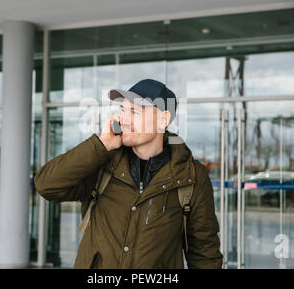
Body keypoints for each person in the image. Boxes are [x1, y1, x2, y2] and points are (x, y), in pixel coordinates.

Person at [34, 78, 223, 269]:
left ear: (163, 120)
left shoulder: (191, 176)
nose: (122, 119)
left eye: (134, 111)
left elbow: (205, 254)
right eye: (123, 110)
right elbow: (46, 185)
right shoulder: (101, 162)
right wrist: (102, 145)